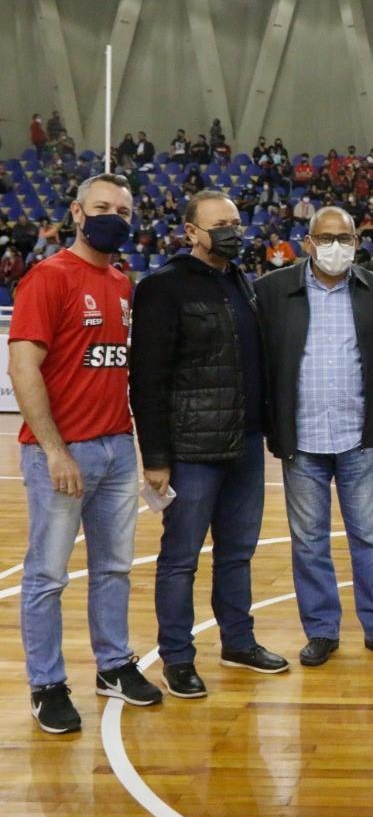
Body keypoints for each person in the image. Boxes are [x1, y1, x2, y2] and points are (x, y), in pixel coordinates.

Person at [10, 174, 163, 733]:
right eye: (102, 207)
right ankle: (47, 684)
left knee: (115, 568)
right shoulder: (47, 278)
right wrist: (55, 450)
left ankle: (113, 664)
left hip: (117, 447)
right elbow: (23, 368)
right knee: (48, 575)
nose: (114, 218)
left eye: (123, 210)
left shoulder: (124, 284)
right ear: (77, 212)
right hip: (62, 452)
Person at [131, 189, 289, 699]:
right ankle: (177, 658)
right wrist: (155, 457)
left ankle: (238, 642)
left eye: (236, 222)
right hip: (192, 451)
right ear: (192, 232)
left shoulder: (242, 283)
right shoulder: (163, 287)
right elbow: (147, 378)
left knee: (237, 555)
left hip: (244, 444)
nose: (231, 231)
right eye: (219, 223)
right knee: (180, 560)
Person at [255, 206, 373, 667]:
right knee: (308, 542)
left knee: (372, 538)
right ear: (307, 242)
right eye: (325, 238)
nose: (334, 247)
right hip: (300, 439)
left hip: (357, 435)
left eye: (344, 238)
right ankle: (322, 630)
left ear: (357, 243)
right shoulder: (273, 290)